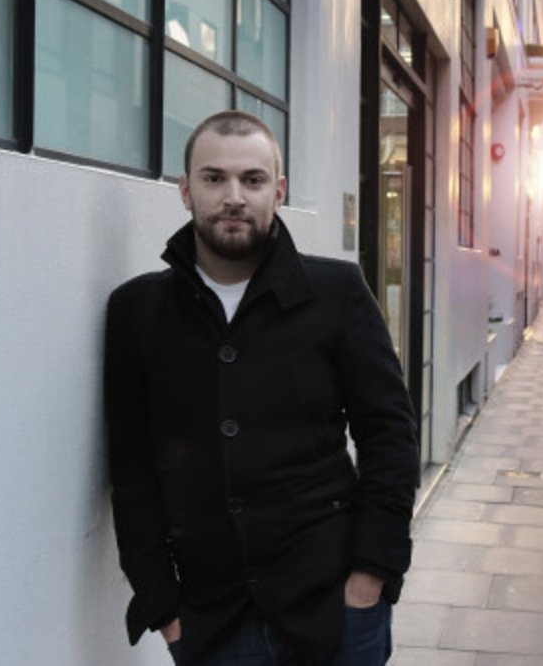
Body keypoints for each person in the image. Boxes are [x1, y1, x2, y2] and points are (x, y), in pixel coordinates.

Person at [104, 110, 419, 665]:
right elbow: (131, 469)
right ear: (185, 190)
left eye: (252, 180)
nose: (234, 197)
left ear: (279, 191)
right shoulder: (137, 310)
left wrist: (370, 577)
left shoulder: (337, 292)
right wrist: (164, 608)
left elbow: (389, 434)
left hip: (335, 608)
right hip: (211, 621)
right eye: (214, 178)